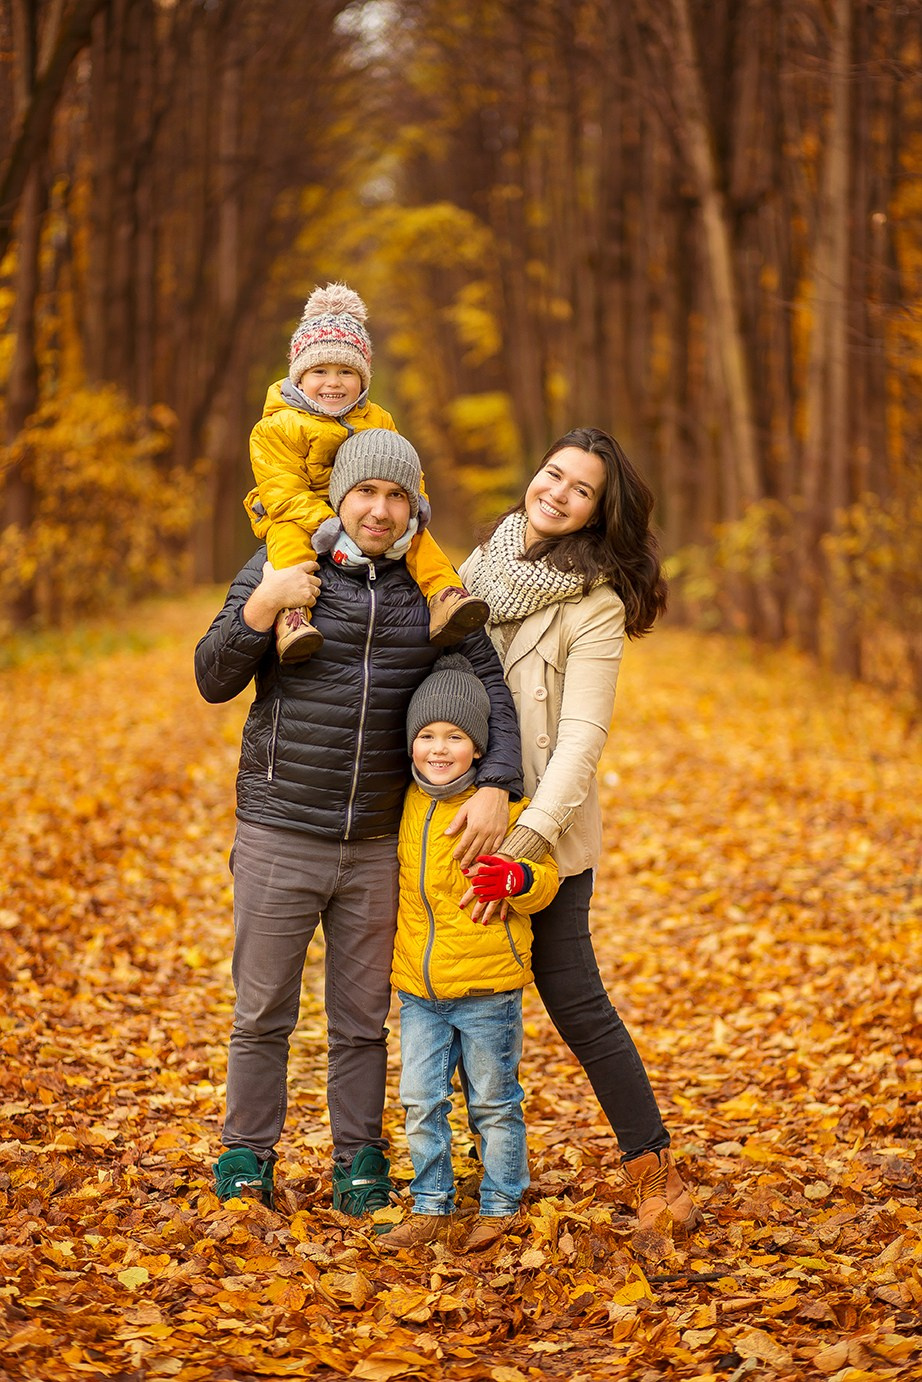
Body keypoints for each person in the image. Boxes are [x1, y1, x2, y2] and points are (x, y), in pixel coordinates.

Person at [194, 428, 523, 1215]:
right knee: (262, 1008)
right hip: (281, 826)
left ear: (415, 505)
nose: (379, 509)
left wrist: (498, 784)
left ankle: (359, 1163)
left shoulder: (432, 593)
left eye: (395, 494)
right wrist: (263, 608)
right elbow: (212, 675)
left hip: (379, 841)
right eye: (365, 492)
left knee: (361, 1021)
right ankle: (247, 1157)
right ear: (339, 496)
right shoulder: (285, 565)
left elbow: (493, 689)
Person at [459, 426, 699, 1235]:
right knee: (445, 993)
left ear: (599, 512)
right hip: (451, 821)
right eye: (552, 474)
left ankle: (654, 1168)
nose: (556, 492)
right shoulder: (475, 568)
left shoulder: (591, 607)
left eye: (580, 489)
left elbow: (581, 742)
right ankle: (456, 1172)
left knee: (574, 997)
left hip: (543, 838)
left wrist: (525, 841)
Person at [379, 654, 558, 1254]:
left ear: (479, 748)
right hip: (420, 990)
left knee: (493, 1101)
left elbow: (545, 877)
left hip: (487, 987)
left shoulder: (503, 808)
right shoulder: (403, 803)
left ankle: (503, 1201)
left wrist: (517, 881)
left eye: (454, 737)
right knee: (419, 1101)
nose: (438, 747)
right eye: (426, 735)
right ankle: (432, 1205)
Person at [243, 283, 487, 663]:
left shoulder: (377, 418)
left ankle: (444, 594)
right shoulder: (278, 426)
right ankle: (293, 618)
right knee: (287, 543)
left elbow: (403, 464)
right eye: (319, 371)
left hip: (365, 505)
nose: (333, 382)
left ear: (363, 377)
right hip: (300, 512)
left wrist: (415, 498)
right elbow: (281, 489)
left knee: (418, 536)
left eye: (346, 371)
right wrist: (326, 522)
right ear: (299, 377)